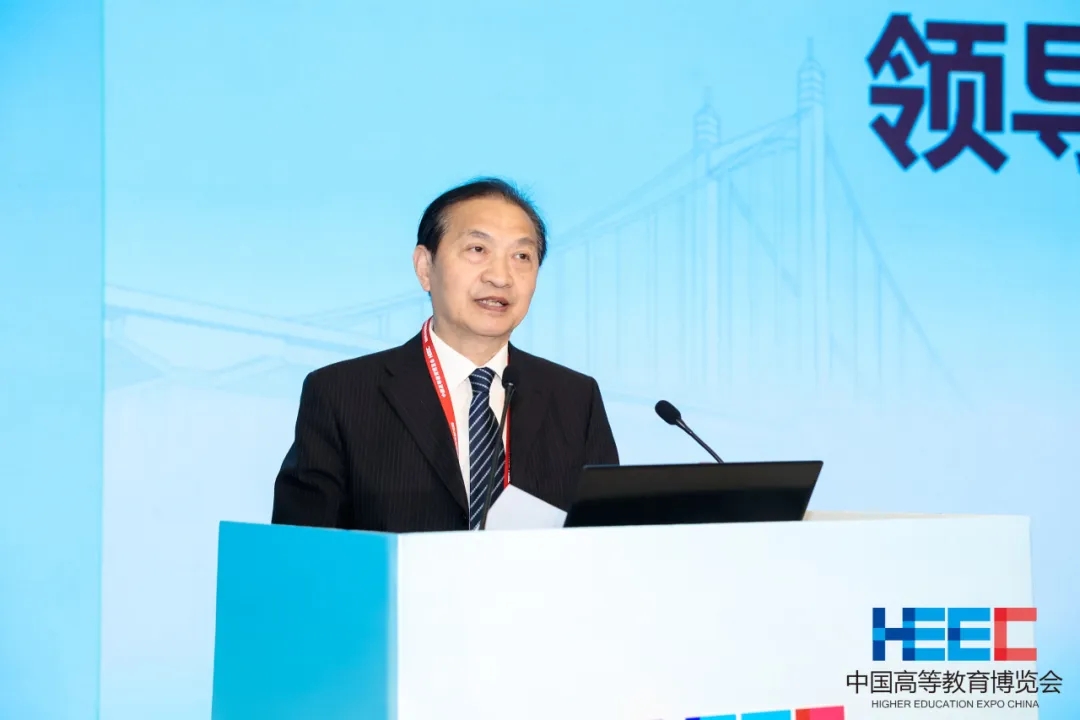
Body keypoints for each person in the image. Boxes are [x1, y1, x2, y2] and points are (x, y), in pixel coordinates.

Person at [271, 178, 619, 532]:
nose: (501, 277)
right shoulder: (341, 394)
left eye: (521, 256)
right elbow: (300, 550)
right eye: (477, 249)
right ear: (425, 267)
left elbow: (611, 539)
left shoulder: (576, 399)